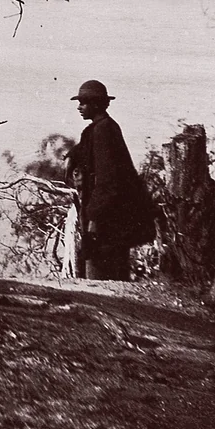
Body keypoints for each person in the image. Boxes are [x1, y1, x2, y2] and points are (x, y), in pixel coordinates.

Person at [65, 80, 152, 281]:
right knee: (112, 270)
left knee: (101, 273)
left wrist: (93, 216)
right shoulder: (102, 128)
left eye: (84, 102)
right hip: (111, 216)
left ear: (96, 104)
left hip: (107, 219)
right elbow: (87, 149)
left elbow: (108, 181)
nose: (79, 107)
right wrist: (72, 155)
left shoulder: (103, 130)